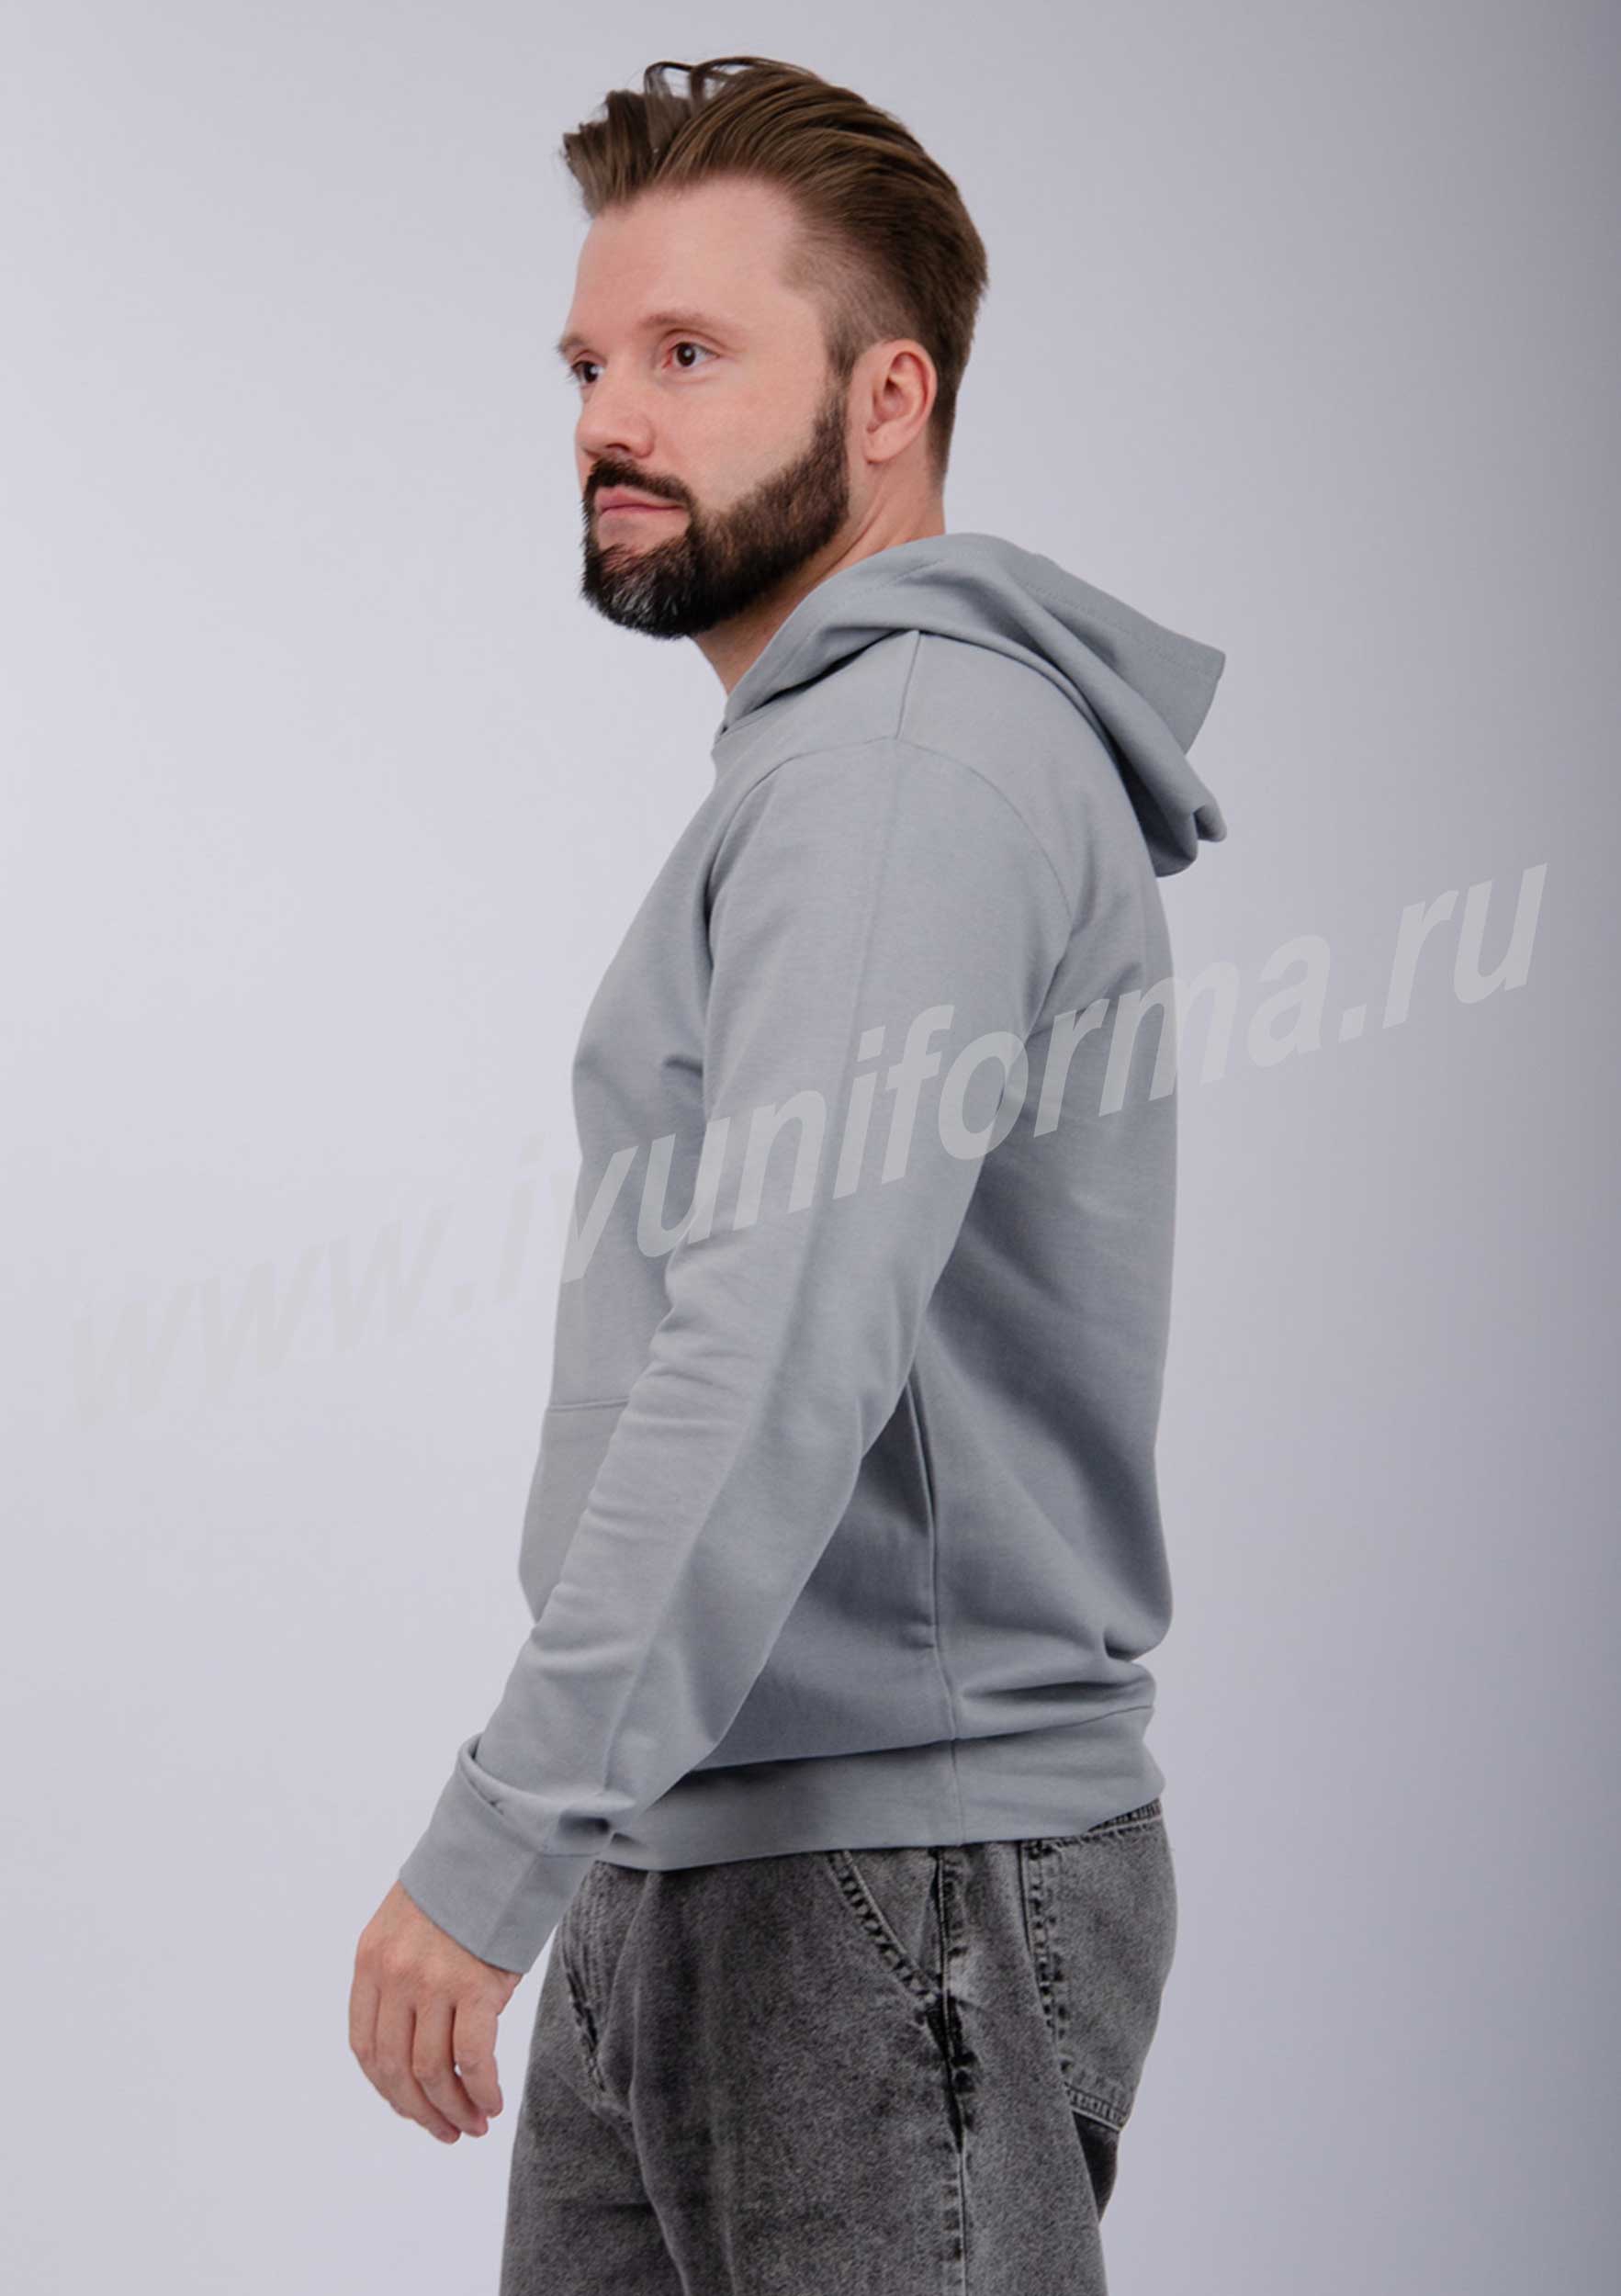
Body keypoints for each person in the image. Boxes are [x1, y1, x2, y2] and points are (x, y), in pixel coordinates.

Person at [350, 54, 1227, 2295]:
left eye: (687, 354)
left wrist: (494, 1836)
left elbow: (771, 1343)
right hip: (716, 1849)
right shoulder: (830, 760)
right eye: (586, 366)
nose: (606, 420)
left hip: (880, 1886)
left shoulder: (910, 756)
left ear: (885, 398)